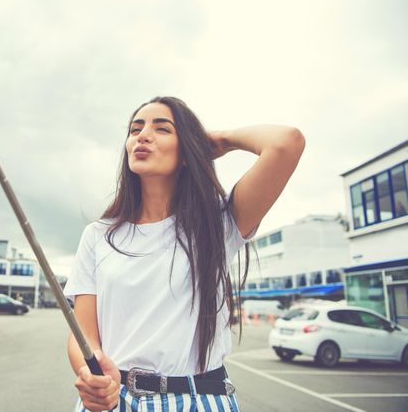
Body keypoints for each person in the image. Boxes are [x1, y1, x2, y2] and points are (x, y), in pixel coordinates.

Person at [64, 96, 305, 412]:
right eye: (135, 128)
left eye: (162, 129)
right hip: (115, 400)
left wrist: (216, 141)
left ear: (188, 151)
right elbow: (82, 334)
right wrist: (91, 372)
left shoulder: (219, 221)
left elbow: (287, 142)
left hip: (198, 400)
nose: (143, 135)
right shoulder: (99, 235)